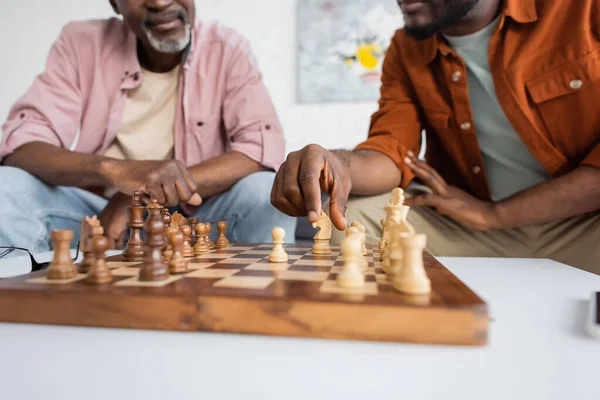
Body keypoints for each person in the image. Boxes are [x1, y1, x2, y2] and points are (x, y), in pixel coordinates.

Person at [271, 0, 600, 274]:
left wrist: (494, 215)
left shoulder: (583, 10)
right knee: (350, 220)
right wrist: (337, 163)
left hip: (582, 225)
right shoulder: (406, 48)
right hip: (469, 226)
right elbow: (391, 152)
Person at [0, 0, 296, 252]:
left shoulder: (227, 48)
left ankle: (254, 307)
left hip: (197, 218)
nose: (158, 1)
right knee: (5, 187)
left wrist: (139, 195)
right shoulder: (80, 43)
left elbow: (258, 150)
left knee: (263, 192)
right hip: (100, 216)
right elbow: (21, 146)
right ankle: (31, 307)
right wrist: (115, 171)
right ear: (115, 3)